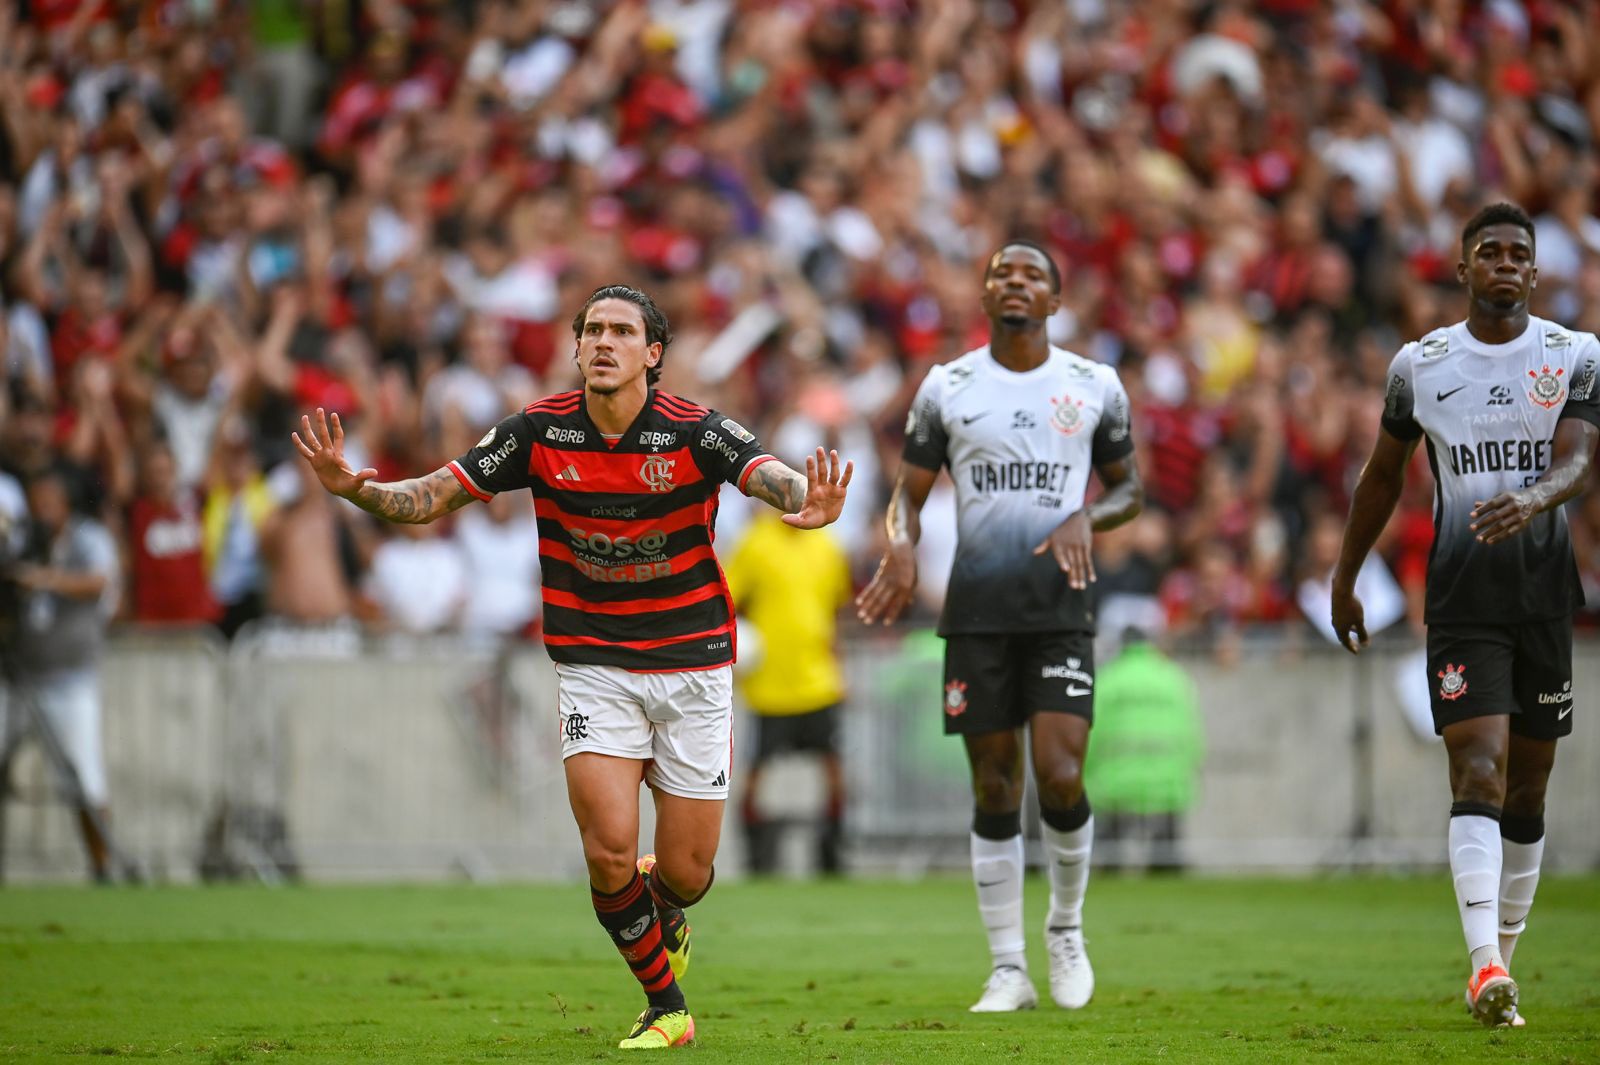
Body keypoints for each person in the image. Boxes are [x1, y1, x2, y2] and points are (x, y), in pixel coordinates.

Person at [292, 284, 851, 1049]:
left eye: (621, 330)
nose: (603, 341)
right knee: (607, 848)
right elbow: (431, 496)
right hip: (594, 664)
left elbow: (766, 472)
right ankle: (668, 1005)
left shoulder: (694, 430)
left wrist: (806, 497)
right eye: (591, 329)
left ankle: (667, 909)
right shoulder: (537, 431)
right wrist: (358, 489)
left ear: (652, 354)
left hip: (693, 666)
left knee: (685, 871)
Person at [1331, 203, 1600, 1029]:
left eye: (1520, 252)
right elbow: (1382, 476)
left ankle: (1501, 958)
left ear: (1534, 268)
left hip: (1543, 599)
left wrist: (1535, 496)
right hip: (1461, 603)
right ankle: (1484, 963)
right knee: (1477, 767)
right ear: (1463, 269)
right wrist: (1345, 575)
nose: (1508, 264)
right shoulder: (1421, 365)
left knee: (1528, 787)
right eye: (1491, 252)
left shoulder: (1574, 353)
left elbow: (1581, 458)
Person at [857, 241, 1143, 1013]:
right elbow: (905, 494)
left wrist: (1088, 513)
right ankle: (1009, 967)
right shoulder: (947, 387)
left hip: (1059, 611)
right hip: (977, 615)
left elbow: (1130, 491)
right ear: (985, 295)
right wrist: (901, 546)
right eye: (1001, 273)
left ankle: (1066, 928)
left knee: (1060, 774)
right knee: (992, 784)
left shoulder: (1093, 385)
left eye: (1033, 275)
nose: (1016, 282)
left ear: (1055, 299)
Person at [0, 467, 121, 882]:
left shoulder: (87, 539)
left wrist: (45, 579)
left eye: (49, 501)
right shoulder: (17, 541)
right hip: (16, 676)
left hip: (70, 678)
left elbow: (99, 582)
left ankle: (102, 865)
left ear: (65, 502)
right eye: (36, 502)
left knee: (86, 778)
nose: (41, 510)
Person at [724, 511, 853, 875]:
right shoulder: (755, 542)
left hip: (819, 682)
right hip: (770, 686)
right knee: (755, 773)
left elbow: (835, 613)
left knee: (834, 770)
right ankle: (756, 854)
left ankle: (833, 854)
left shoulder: (828, 546)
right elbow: (728, 599)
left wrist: (841, 670)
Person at [1083, 628, 1204, 873]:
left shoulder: (1109, 678)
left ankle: (1112, 870)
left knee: (1113, 844)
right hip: (1168, 776)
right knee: (1166, 845)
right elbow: (1191, 729)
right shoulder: (1172, 676)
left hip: (1117, 777)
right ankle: (1166, 868)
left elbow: (1092, 731)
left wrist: (1086, 770)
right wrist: (1189, 766)